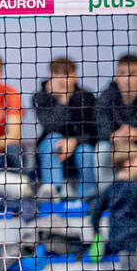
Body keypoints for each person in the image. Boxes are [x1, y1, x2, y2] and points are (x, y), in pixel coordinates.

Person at [33, 57, 99, 200]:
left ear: (75, 76)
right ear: (51, 76)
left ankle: (87, 197)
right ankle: (52, 191)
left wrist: (75, 141)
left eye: (67, 74)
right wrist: (62, 99)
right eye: (58, 74)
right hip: (53, 147)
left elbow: (93, 129)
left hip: (81, 145)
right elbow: (51, 126)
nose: (63, 79)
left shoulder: (86, 97)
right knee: (53, 139)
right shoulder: (40, 97)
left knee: (86, 152)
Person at [96, 54, 137, 187]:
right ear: (116, 76)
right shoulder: (106, 97)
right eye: (122, 73)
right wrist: (113, 136)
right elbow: (100, 127)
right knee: (101, 149)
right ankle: (106, 194)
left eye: (132, 73)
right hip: (115, 146)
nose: (127, 79)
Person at [87, 147, 137, 262]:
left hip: (113, 244)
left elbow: (95, 211)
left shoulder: (111, 188)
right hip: (131, 246)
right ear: (128, 164)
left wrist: (97, 232)